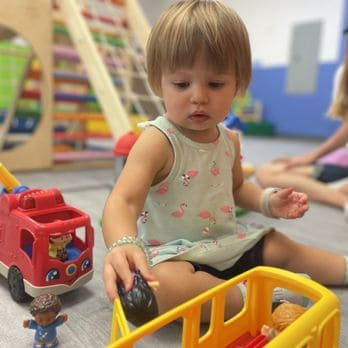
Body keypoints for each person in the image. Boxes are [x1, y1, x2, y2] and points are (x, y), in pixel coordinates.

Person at [102, 0, 348, 322]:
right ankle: (256, 299)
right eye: (181, 84)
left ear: (238, 85)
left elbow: (236, 188)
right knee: (154, 291)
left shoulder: (229, 139)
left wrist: (267, 201)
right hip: (175, 256)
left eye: (215, 84)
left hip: (227, 243)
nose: (199, 96)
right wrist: (122, 243)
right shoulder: (157, 141)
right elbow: (123, 200)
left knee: (281, 247)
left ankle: (339, 268)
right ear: (157, 83)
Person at [255, 40, 348, 218]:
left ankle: (338, 193)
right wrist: (307, 158)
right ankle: (341, 197)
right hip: (341, 166)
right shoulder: (342, 73)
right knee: (266, 171)